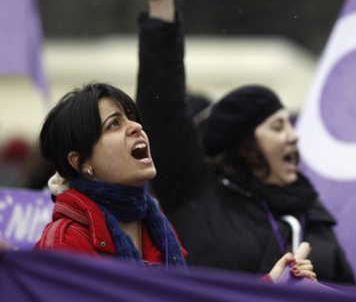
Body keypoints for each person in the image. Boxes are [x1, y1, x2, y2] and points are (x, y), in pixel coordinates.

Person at [135, 0, 355, 285]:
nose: (294, 135)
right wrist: (161, 7)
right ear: (244, 143)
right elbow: (163, 108)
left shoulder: (315, 216)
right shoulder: (196, 194)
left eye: (289, 124)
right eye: (277, 127)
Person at [33, 82, 314, 282]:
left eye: (132, 118)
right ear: (81, 162)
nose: (136, 127)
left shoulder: (158, 228)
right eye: (114, 124)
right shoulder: (65, 243)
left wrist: (271, 287)